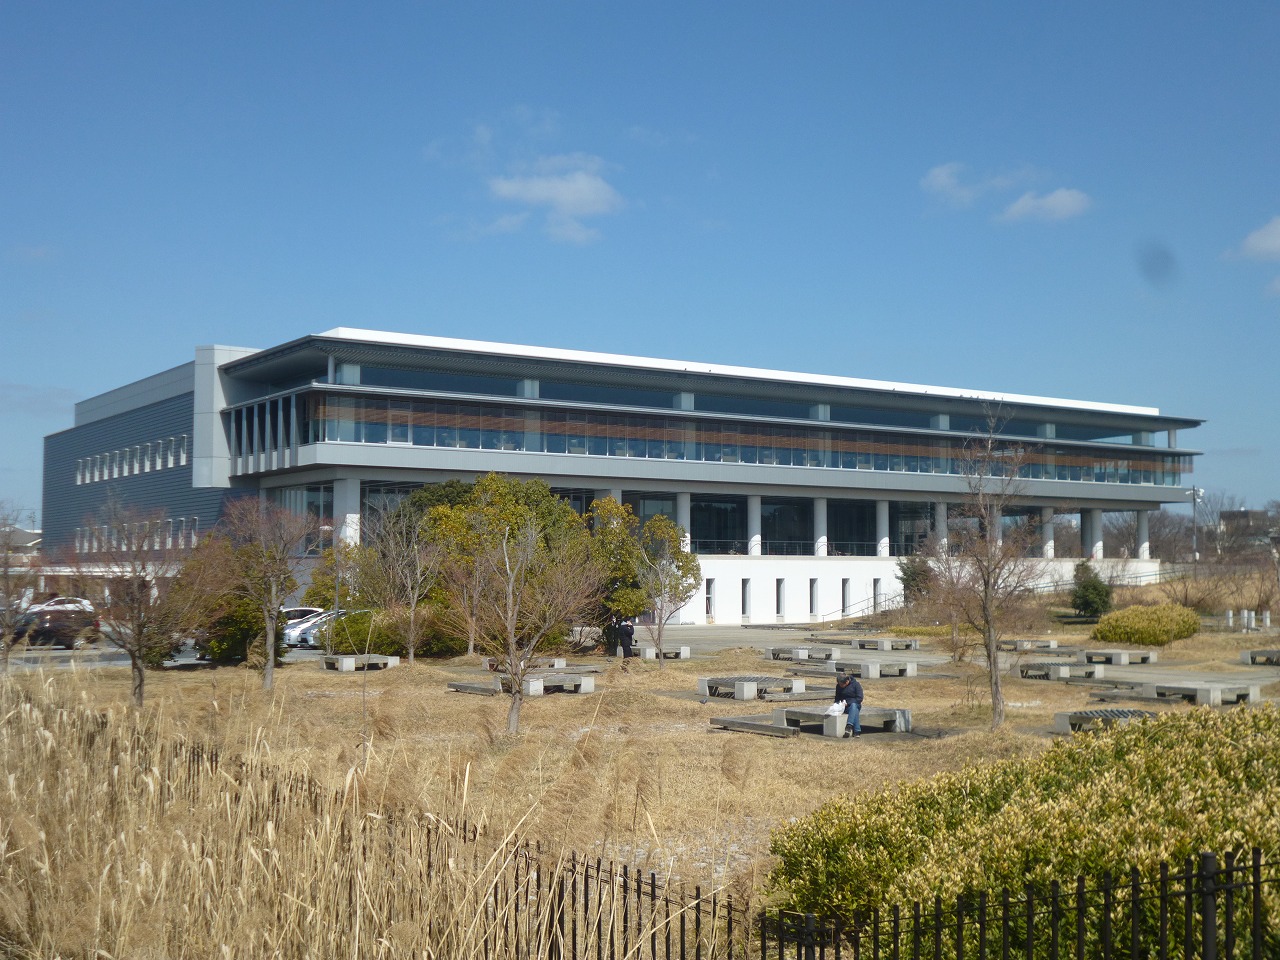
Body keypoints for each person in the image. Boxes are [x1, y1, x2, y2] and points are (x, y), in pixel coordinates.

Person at [834, 672, 864, 738]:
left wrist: (849, 703)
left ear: (847, 682)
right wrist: (839, 704)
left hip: (855, 704)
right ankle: (857, 731)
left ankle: (849, 725)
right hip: (844, 706)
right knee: (854, 710)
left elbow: (860, 698)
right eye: (839, 684)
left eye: (842, 685)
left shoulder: (856, 685)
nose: (840, 686)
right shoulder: (838, 686)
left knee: (854, 706)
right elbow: (837, 698)